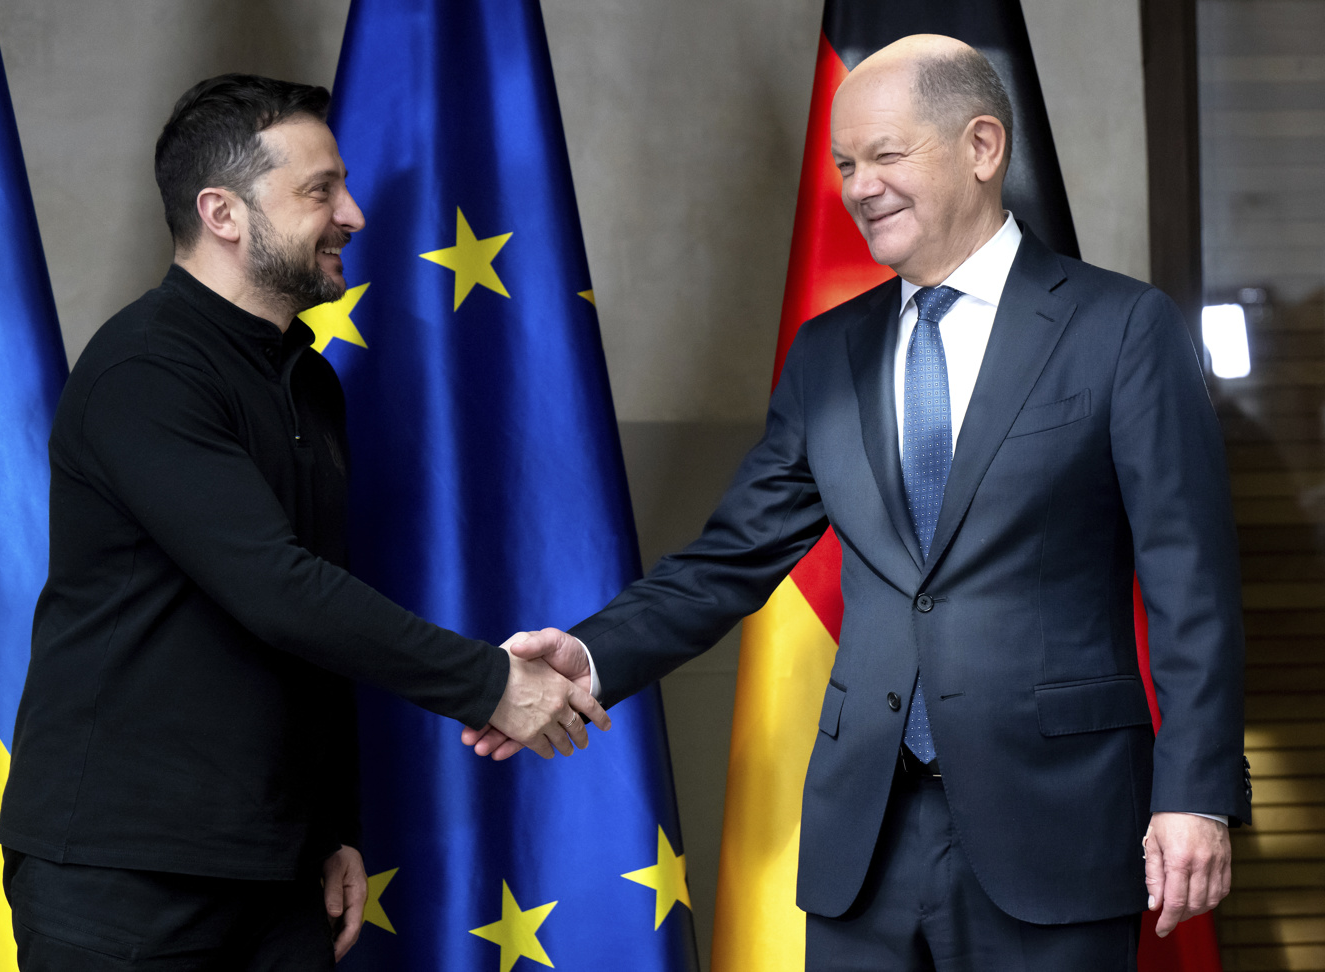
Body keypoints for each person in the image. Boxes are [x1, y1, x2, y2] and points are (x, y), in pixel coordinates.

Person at [465, 35, 1251, 970]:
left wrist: (1194, 793)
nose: (859, 185)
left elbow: (1189, 579)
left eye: (885, 154)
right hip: (862, 841)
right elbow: (730, 559)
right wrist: (589, 653)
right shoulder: (827, 353)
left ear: (983, 146)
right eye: (845, 163)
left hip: (1058, 822)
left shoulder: (1120, 328)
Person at [0, 74, 607, 972]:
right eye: (320, 191)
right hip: (119, 872)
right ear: (223, 212)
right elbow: (279, 590)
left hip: (276, 866)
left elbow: (319, 622)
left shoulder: (308, 382)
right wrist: (489, 683)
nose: (352, 215)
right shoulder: (145, 369)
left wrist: (335, 827)